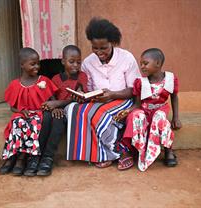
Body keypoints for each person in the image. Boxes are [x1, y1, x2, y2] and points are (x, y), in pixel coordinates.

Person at [65, 17, 141, 168]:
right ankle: (100, 154)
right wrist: (81, 93)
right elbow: (88, 89)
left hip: (122, 99)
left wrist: (112, 95)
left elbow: (134, 89)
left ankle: (121, 152)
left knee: (99, 115)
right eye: (95, 48)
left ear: (112, 43)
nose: (99, 52)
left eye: (103, 48)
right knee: (72, 109)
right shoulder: (88, 62)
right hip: (98, 101)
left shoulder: (126, 58)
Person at [24, 45, 88, 176]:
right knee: (46, 118)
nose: (75, 65)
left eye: (78, 62)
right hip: (56, 110)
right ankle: (35, 156)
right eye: (71, 61)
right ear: (63, 61)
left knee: (58, 120)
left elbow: (81, 98)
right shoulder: (55, 79)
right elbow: (51, 99)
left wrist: (59, 104)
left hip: (70, 111)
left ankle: (48, 157)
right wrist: (55, 107)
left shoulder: (82, 77)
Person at [114, 48, 182, 171]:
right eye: (141, 64)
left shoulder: (170, 78)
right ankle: (132, 150)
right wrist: (127, 112)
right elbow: (137, 104)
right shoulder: (140, 82)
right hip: (145, 110)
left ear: (157, 64)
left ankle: (168, 150)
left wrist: (176, 117)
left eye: (145, 63)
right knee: (136, 115)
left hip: (160, 109)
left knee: (160, 118)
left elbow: (174, 97)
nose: (142, 67)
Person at [0, 48, 58, 175]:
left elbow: (53, 100)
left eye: (38, 63)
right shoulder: (15, 84)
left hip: (38, 113)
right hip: (22, 113)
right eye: (33, 64)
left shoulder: (43, 81)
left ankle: (22, 158)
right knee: (17, 122)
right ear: (22, 65)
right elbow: (12, 107)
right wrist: (21, 110)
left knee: (34, 123)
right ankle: (11, 156)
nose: (37, 66)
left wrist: (53, 107)